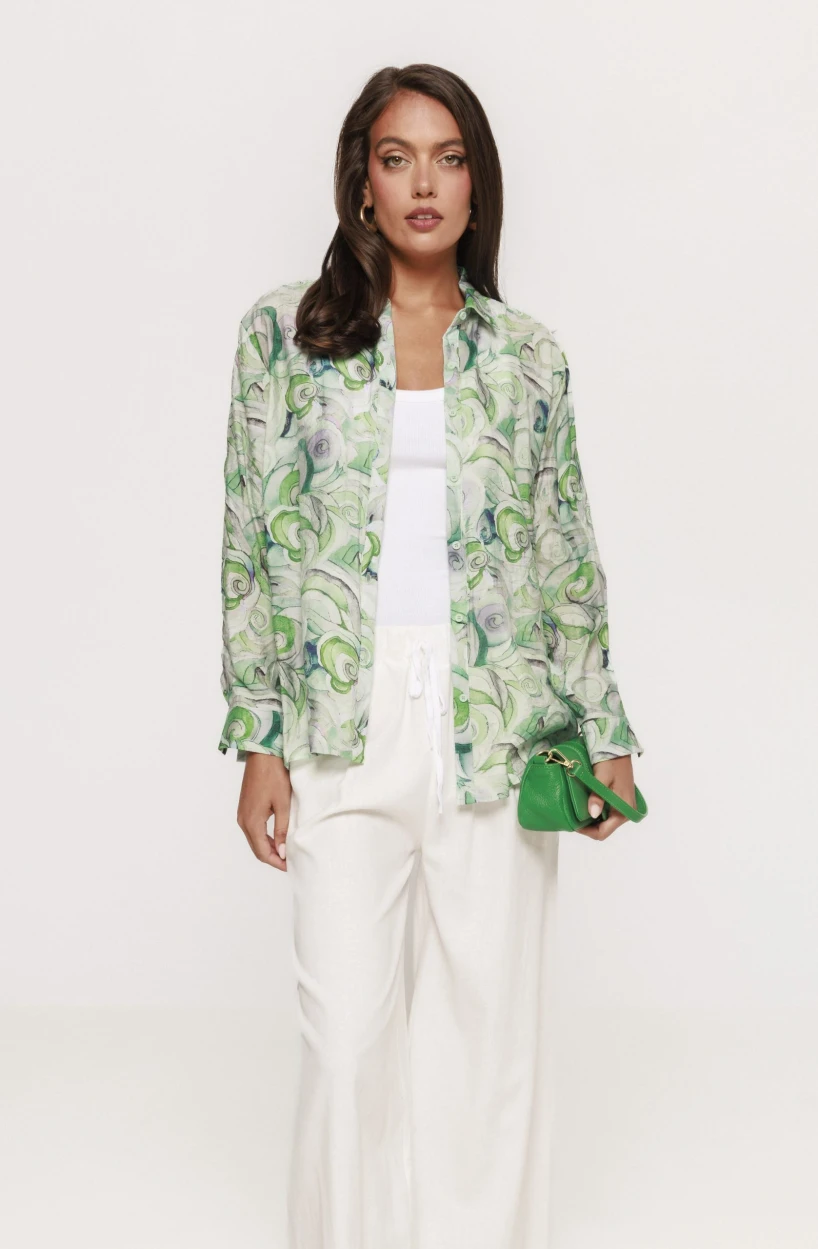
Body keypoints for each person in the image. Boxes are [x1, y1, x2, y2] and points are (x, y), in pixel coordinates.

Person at [218, 62, 644, 1249]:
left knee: (485, 1040)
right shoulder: (281, 338)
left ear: (475, 185)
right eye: (396, 156)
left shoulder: (526, 357)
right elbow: (249, 543)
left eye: (448, 159)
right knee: (345, 1039)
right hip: (338, 717)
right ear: (361, 181)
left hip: (497, 717)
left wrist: (603, 728)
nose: (422, 182)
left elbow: (565, 555)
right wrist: (258, 739)